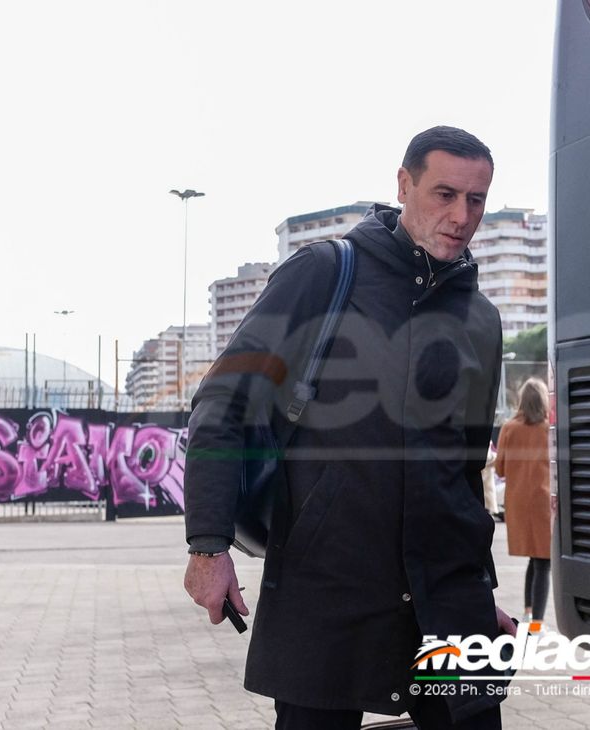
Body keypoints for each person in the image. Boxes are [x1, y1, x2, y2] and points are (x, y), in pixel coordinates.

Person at [183, 126, 514, 730]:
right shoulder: (323, 272)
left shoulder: (481, 319)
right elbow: (222, 405)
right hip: (327, 590)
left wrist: (477, 590)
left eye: (476, 200)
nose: (461, 215)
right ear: (404, 183)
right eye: (444, 194)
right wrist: (209, 546)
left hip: (448, 602)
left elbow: (465, 471)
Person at [493, 379, 551, 630]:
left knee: (534, 559)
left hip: (518, 503)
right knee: (543, 561)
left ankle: (529, 615)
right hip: (543, 502)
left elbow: (500, 469)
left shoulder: (509, 427)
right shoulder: (548, 430)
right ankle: (536, 624)